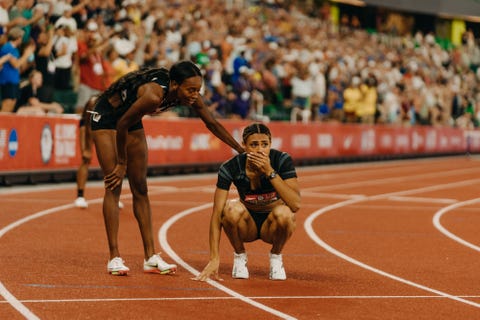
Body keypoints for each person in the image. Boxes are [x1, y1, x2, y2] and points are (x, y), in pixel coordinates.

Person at [91, 60, 245, 276]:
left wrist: (239, 149)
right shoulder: (154, 95)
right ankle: (114, 257)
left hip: (130, 118)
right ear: (174, 85)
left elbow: (212, 123)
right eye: (190, 90)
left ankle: (150, 257)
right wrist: (121, 164)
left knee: (141, 188)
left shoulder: (188, 94)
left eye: (198, 90)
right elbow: (121, 123)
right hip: (108, 117)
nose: (194, 95)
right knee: (114, 184)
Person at [194, 123, 300, 281]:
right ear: (244, 145)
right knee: (230, 210)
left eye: (265, 144)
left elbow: (295, 204)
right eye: (254, 145)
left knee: (285, 214)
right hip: (246, 223)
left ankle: (276, 257)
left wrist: (269, 171)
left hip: (271, 225)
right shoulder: (231, 167)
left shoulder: (281, 160)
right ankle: (239, 256)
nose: (260, 150)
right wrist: (214, 258)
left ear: (271, 144)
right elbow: (217, 214)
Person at [73, 94, 124, 209]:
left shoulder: (114, 106)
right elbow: (85, 124)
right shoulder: (93, 102)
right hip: (88, 126)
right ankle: (80, 196)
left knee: (113, 162)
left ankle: (114, 196)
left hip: (105, 126)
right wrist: (85, 148)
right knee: (86, 159)